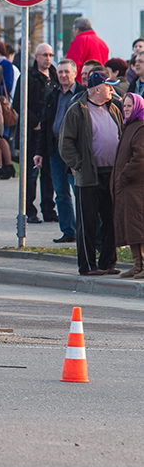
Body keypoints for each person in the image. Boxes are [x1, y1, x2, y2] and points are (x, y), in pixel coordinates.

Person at [59, 70, 122, 276]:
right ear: (97, 89)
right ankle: (88, 265)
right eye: (108, 86)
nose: (112, 90)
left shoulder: (114, 109)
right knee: (88, 222)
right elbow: (65, 143)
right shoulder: (78, 110)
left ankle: (107, 262)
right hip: (88, 175)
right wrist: (79, 164)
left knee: (110, 219)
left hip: (111, 173)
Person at [35, 59, 81, 243]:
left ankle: (84, 230)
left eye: (66, 72)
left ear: (74, 73)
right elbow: (45, 125)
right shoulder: (53, 94)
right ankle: (68, 230)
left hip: (74, 150)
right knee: (61, 192)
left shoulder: (81, 94)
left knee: (78, 190)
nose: (62, 75)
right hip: (55, 149)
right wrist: (39, 152)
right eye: (60, 72)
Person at [14, 44, 58, 224]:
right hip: (32, 133)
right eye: (44, 55)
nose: (48, 58)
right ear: (36, 57)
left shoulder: (55, 76)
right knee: (31, 174)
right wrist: (34, 123)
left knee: (49, 174)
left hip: (50, 133)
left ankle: (49, 209)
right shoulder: (28, 77)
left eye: (50, 55)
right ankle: (29, 211)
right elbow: (18, 103)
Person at [111, 93, 144, 278]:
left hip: (136, 186)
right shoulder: (129, 126)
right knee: (131, 225)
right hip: (128, 187)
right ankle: (137, 265)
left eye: (129, 106)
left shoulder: (141, 127)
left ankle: (143, 265)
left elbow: (140, 157)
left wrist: (124, 176)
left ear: (138, 107)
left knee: (138, 225)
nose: (125, 109)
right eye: (124, 106)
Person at [65, 17, 109, 82]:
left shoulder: (79, 41)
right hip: (100, 82)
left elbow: (72, 65)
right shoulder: (102, 43)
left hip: (83, 83)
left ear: (77, 29)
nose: (73, 32)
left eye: (73, 29)